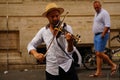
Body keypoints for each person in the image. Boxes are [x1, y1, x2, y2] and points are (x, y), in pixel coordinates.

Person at [27, 3, 79, 80]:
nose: (55, 18)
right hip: (51, 69)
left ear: (59, 15)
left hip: (67, 67)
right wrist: (36, 54)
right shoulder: (43, 31)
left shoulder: (67, 28)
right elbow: (30, 45)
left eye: (57, 16)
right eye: (52, 16)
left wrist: (70, 42)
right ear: (47, 17)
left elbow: (69, 52)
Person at [89, 0, 117, 77]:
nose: (96, 8)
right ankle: (98, 72)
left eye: (97, 7)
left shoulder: (104, 13)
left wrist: (103, 34)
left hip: (102, 35)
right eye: (95, 7)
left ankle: (113, 64)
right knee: (98, 55)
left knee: (99, 53)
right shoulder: (96, 14)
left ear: (100, 6)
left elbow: (107, 25)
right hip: (96, 35)